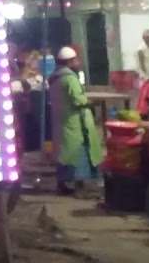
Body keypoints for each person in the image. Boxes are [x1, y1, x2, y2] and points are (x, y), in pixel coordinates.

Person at [50, 46, 105, 196]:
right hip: (74, 122)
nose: (79, 62)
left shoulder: (55, 77)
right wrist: (92, 102)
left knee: (63, 153)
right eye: (76, 60)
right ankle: (79, 186)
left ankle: (62, 184)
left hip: (62, 120)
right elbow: (77, 99)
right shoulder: (70, 78)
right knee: (78, 152)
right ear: (70, 62)